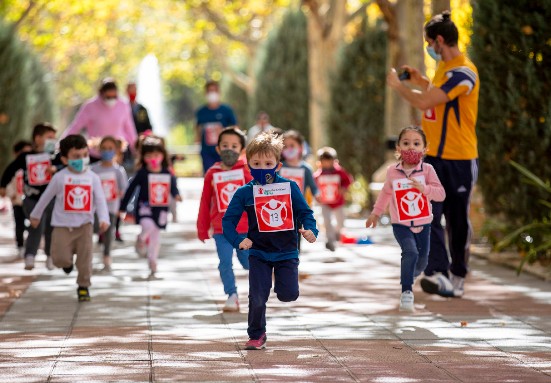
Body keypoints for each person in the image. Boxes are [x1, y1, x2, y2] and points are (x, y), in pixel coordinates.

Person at [386, 11, 479, 298]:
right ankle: (438, 272)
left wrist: (400, 87)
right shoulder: (443, 70)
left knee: (457, 219)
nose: (429, 48)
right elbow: (436, 96)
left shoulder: (464, 72)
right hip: (434, 157)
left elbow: (430, 100)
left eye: (429, 43)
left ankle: (458, 274)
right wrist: (420, 80)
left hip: (460, 158)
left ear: (439, 41)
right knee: (429, 214)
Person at [222, 132, 318, 350]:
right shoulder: (244, 193)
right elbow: (228, 221)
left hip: (287, 252)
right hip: (259, 253)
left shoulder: (290, 187)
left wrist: (311, 230)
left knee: (288, 294)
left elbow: (306, 213)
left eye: (268, 163)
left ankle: (279, 285)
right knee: (257, 297)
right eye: (256, 163)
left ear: (278, 165)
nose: (262, 168)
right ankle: (256, 334)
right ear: (248, 166)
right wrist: (239, 240)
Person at [366, 126, 446, 311]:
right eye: (406, 143)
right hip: (400, 223)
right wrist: (375, 213)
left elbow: (440, 194)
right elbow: (386, 193)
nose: (411, 148)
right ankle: (407, 292)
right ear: (398, 147)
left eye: (416, 144)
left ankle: (410, 273)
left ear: (425, 149)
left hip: (424, 222)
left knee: (423, 260)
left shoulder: (427, 170)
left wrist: (424, 189)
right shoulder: (392, 172)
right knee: (410, 252)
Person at [29, 134, 110, 302]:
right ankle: (66, 264)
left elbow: (100, 200)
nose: (81, 160)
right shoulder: (59, 178)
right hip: (61, 226)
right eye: (76, 156)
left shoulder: (93, 178)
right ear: (65, 160)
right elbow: (46, 197)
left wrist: (104, 219)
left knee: (85, 259)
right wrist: (35, 215)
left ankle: (83, 286)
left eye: (85, 155)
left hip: (85, 225)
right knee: (59, 258)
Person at [197, 127, 252, 312]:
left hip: (244, 228)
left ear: (242, 150)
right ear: (218, 149)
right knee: (225, 262)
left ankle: (261, 282)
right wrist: (202, 228)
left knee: (247, 262)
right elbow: (205, 201)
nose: (230, 149)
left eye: (234, 146)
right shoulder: (212, 173)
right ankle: (232, 295)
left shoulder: (247, 170)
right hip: (221, 229)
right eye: (225, 145)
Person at [0, 123, 60, 270]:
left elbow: (65, 167)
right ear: (38, 138)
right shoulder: (26, 157)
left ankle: (50, 255)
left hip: (51, 199)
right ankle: (30, 255)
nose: (53, 140)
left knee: (51, 227)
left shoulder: (55, 157)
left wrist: (55, 168)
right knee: (36, 225)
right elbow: (10, 169)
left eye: (54, 137)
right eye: (49, 137)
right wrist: (2, 186)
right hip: (32, 198)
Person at [119, 137, 182, 278]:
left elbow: (173, 187)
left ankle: (153, 262)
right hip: (145, 208)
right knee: (147, 226)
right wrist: (123, 208)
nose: (153, 159)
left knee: (155, 238)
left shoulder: (166, 172)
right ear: (143, 157)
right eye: (149, 156)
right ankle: (140, 239)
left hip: (161, 209)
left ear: (162, 156)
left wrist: (177, 195)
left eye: (156, 155)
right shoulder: (142, 173)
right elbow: (131, 189)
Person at [63, 78, 137, 160]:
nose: (111, 99)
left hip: (116, 155)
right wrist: (62, 144)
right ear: (101, 93)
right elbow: (76, 126)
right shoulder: (90, 106)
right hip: (95, 154)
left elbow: (130, 129)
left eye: (114, 97)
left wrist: (136, 149)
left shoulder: (123, 105)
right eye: (108, 97)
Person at [91, 136, 128, 272]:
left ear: (116, 150)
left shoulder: (118, 170)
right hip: (95, 208)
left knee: (109, 232)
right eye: (104, 148)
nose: (107, 151)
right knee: (94, 227)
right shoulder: (93, 169)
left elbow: (124, 189)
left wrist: (119, 195)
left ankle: (107, 256)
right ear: (99, 150)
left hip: (112, 207)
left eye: (110, 148)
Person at [280, 130, 320, 251]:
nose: (289, 149)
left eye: (292, 145)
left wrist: (318, 195)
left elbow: (313, 187)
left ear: (301, 147)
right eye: (285, 146)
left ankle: (293, 261)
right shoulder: (279, 166)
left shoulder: (305, 168)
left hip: (297, 210)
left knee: (295, 237)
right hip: (281, 209)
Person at [313, 147, 354, 252]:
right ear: (320, 162)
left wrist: (343, 188)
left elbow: (348, 180)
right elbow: (314, 187)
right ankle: (330, 240)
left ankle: (337, 233)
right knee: (327, 221)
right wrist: (317, 196)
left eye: (329, 161)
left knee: (341, 222)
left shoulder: (339, 171)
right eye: (324, 161)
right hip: (325, 202)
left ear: (334, 161)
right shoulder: (318, 175)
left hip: (338, 202)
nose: (326, 163)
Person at [195, 80, 237, 174]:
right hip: (207, 151)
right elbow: (197, 128)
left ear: (219, 92)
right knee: (209, 176)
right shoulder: (201, 112)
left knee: (225, 176)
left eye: (214, 90)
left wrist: (223, 130)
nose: (212, 93)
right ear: (205, 93)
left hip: (224, 150)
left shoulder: (226, 110)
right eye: (209, 91)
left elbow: (235, 128)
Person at [4, 140, 33, 257]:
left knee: (32, 223)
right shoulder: (13, 168)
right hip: (17, 201)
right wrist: (11, 195)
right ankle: (20, 245)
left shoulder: (31, 168)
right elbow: (9, 183)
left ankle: (30, 244)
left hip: (30, 201)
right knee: (19, 224)